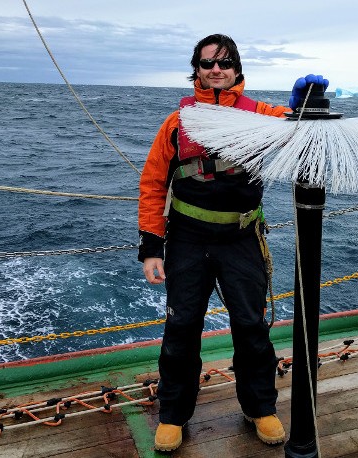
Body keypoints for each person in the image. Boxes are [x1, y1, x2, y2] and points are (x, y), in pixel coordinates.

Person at [138, 33, 328, 452]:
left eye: (224, 62)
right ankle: (173, 414)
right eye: (207, 64)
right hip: (187, 238)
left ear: (237, 68)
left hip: (242, 237)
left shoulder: (262, 114)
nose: (216, 69)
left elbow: (300, 131)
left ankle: (260, 407)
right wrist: (151, 246)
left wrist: (303, 108)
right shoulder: (176, 123)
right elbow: (153, 184)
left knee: (251, 325)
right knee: (181, 327)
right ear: (197, 71)